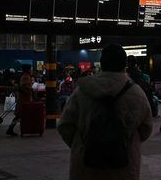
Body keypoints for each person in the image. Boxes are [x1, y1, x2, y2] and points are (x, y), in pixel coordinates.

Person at [58, 44, 153, 180]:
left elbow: (65, 125)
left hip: (86, 167)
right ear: (124, 65)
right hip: (124, 166)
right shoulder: (136, 93)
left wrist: (82, 143)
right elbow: (146, 128)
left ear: (102, 64)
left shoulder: (82, 90)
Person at [6, 64, 33, 136]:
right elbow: (25, 88)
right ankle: (24, 129)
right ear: (28, 69)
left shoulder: (24, 76)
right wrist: (31, 89)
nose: (31, 70)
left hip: (22, 99)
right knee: (21, 115)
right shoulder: (26, 77)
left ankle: (11, 129)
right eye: (30, 69)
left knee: (18, 116)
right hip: (24, 100)